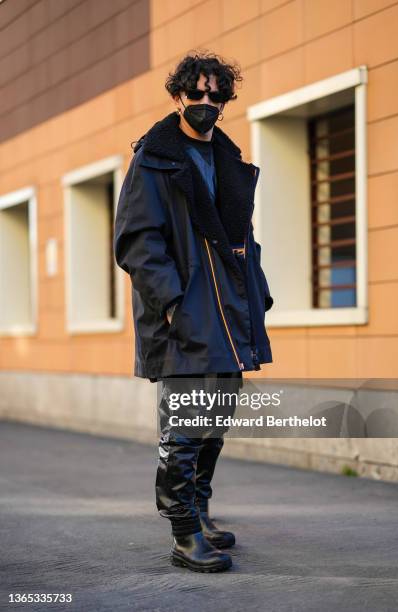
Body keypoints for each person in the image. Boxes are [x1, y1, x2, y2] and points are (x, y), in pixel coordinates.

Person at [114, 51, 274, 572]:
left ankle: (200, 512)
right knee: (183, 426)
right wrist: (173, 307)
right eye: (196, 93)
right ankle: (184, 534)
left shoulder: (227, 159)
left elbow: (241, 238)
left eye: (216, 95)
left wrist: (259, 291)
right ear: (179, 95)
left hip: (230, 314)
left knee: (214, 421)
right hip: (184, 312)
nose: (205, 103)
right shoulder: (155, 158)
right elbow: (138, 242)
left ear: (225, 100)